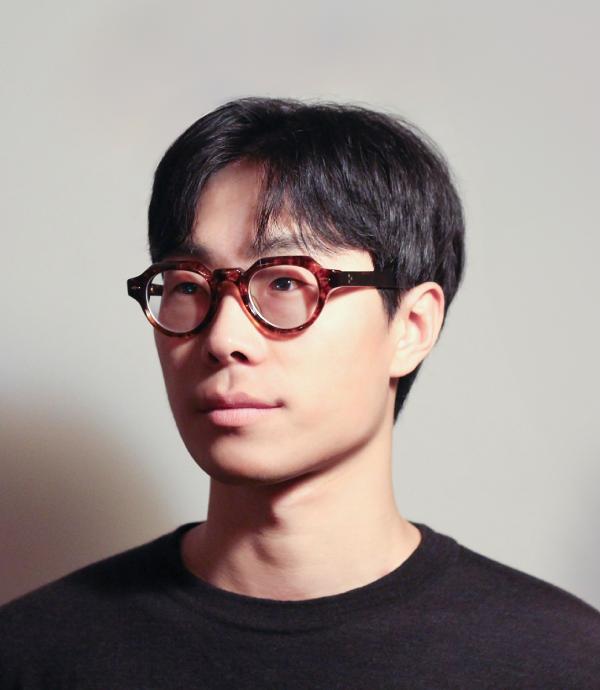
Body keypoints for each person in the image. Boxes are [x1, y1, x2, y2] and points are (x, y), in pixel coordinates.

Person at [1, 96, 599, 689]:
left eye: (286, 281)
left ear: (411, 328)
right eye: (188, 286)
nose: (224, 336)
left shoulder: (561, 660)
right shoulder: (31, 653)